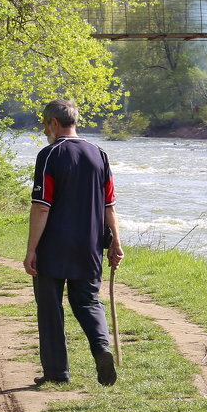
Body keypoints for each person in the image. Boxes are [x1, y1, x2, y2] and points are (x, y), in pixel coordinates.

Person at [24, 99, 124, 387]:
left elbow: (42, 206)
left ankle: (57, 372)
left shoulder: (50, 155)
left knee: (50, 306)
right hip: (90, 245)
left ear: (54, 123)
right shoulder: (99, 154)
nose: (44, 130)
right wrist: (115, 242)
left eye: (45, 124)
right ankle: (101, 349)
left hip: (53, 245)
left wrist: (31, 249)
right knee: (88, 301)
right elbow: (109, 205)